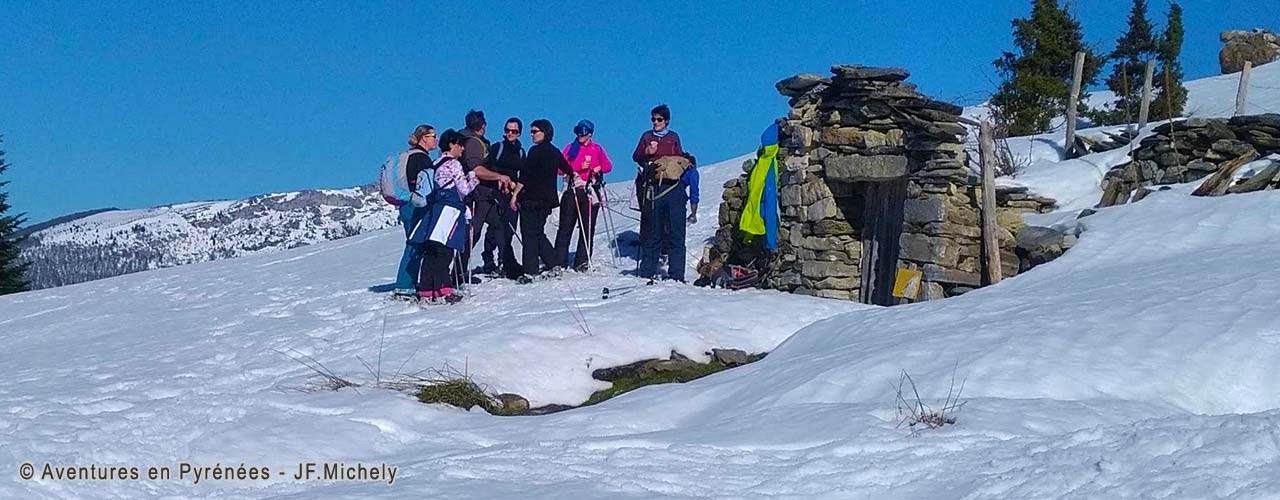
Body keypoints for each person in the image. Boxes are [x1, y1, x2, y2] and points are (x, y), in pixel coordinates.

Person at [410, 130, 478, 303]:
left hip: (434, 210)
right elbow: (464, 189)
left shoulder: (435, 163)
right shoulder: (454, 164)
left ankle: (427, 290)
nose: (462, 149)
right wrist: (473, 178)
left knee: (431, 250)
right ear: (452, 144)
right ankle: (444, 290)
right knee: (445, 250)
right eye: (460, 145)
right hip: (450, 211)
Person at [512, 119, 571, 281]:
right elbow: (568, 169)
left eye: (535, 131)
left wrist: (515, 194)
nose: (531, 135)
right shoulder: (554, 151)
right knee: (538, 232)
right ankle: (553, 263)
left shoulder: (535, 151)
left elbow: (525, 175)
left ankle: (530, 271)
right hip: (548, 200)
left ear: (545, 132)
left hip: (531, 198)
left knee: (529, 234)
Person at [458, 110, 515, 278]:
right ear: (483, 125)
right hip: (478, 195)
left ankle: (505, 262)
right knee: (473, 233)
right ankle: (457, 272)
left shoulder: (465, 139)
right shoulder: (474, 143)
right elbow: (477, 169)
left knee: (499, 226)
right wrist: (499, 176)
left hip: (485, 194)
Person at [631, 104, 685, 268]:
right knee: (653, 229)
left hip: (672, 184)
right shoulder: (646, 136)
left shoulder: (673, 137)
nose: (656, 122)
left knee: (675, 229)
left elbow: (680, 156)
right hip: (652, 185)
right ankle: (648, 269)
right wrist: (646, 152)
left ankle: (676, 272)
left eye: (659, 119)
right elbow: (636, 156)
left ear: (667, 121)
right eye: (653, 119)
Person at [555, 119, 613, 272]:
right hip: (572, 190)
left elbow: (608, 166)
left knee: (587, 228)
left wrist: (598, 167)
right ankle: (559, 262)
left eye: (583, 132)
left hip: (589, 191)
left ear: (590, 134)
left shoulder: (596, 149)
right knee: (565, 227)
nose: (580, 135)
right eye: (578, 132)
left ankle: (582, 261)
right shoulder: (570, 148)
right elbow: (559, 169)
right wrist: (578, 167)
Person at [392, 125, 438, 298]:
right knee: (416, 244)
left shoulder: (408, 156)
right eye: (433, 135)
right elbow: (427, 186)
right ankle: (405, 286)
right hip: (417, 205)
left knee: (413, 243)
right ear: (424, 138)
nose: (436, 139)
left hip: (405, 204)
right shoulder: (422, 159)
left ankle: (406, 284)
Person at [484, 117, 526, 279]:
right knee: (497, 227)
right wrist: (499, 179)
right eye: (507, 130)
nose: (510, 133)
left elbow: (523, 173)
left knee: (509, 227)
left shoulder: (521, 152)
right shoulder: (498, 148)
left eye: (514, 131)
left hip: (513, 194)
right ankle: (490, 256)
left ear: (519, 133)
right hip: (496, 192)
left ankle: (504, 259)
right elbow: (488, 166)